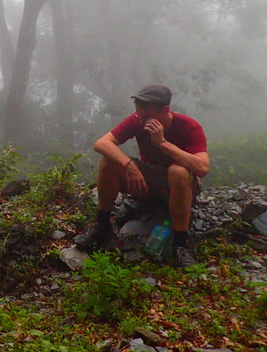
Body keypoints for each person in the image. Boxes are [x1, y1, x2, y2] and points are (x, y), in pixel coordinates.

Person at [77, 84, 210, 267]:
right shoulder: (137, 120)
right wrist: (129, 165)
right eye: (139, 114)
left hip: (180, 185)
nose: (142, 120)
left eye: (148, 116)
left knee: (177, 171)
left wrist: (162, 143)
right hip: (148, 179)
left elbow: (202, 167)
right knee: (109, 161)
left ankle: (180, 245)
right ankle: (102, 226)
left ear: (165, 110)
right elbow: (101, 143)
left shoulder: (188, 127)